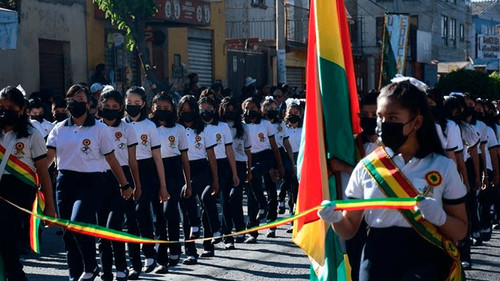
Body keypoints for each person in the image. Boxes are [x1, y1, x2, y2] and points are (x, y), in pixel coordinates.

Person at [318, 78, 467, 281]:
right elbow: (349, 229)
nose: (384, 124)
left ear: (417, 122)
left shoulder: (442, 167)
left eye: (393, 117)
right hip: (377, 257)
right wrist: (335, 219)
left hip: (426, 258)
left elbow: (460, 230)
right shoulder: (366, 167)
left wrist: (440, 217)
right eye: (380, 117)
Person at [46, 84, 130, 281]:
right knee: (68, 233)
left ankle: (91, 266)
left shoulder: (100, 129)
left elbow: (112, 160)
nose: (76, 103)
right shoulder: (59, 129)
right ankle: (75, 275)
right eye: (72, 100)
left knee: (77, 222)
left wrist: (125, 185)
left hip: (91, 182)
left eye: (80, 100)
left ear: (88, 103)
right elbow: (48, 158)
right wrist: (33, 176)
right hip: (65, 182)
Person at [0, 86, 56, 281]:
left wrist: (49, 206)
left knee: (6, 232)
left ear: (22, 109)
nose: (5, 111)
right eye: (2, 107)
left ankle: (15, 274)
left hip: (20, 192)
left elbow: (43, 172)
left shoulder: (32, 134)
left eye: (11, 108)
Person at [123, 86, 169, 279]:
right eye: (129, 103)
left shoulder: (150, 126)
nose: (133, 106)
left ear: (143, 104)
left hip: (147, 170)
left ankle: (155, 254)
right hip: (124, 171)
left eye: (137, 103)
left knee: (147, 211)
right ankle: (135, 263)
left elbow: (157, 157)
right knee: (130, 218)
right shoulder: (119, 125)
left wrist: (163, 185)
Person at [96, 88, 142, 281]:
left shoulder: (128, 129)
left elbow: (132, 160)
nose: (111, 109)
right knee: (102, 228)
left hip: (124, 180)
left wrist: (136, 185)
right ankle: (106, 270)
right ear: (100, 107)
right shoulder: (95, 128)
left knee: (117, 224)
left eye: (115, 106)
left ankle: (126, 267)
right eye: (107, 106)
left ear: (121, 108)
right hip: (100, 180)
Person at [150, 91, 191, 269]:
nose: (162, 111)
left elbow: (184, 158)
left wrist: (188, 182)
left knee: (170, 210)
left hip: (173, 171)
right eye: (158, 108)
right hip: (152, 169)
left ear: (172, 109)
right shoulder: (147, 127)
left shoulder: (179, 129)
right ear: (152, 108)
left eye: (166, 108)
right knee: (157, 214)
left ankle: (175, 247)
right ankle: (161, 257)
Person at [177, 95, 220, 265]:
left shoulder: (205, 130)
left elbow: (211, 156)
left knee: (203, 199)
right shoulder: (177, 129)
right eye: (183, 110)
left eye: (190, 110)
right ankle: (190, 251)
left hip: (201, 169)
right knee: (185, 206)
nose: (187, 113)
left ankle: (209, 241)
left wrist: (216, 180)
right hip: (181, 169)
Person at [198, 94, 239, 252]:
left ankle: (227, 236)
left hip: (222, 166)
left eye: (209, 108)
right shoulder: (197, 126)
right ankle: (208, 243)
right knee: (205, 205)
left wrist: (234, 172)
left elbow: (229, 150)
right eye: (202, 108)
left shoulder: (222, 126)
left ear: (215, 109)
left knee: (222, 202)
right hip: (204, 166)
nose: (206, 111)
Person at [242, 97, 284, 243]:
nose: (250, 110)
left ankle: (271, 222)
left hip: (265, 157)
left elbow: (274, 146)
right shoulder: (242, 125)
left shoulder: (265, 124)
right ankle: (252, 229)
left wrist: (278, 166)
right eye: (247, 107)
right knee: (251, 192)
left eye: (253, 107)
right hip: (249, 157)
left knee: (271, 188)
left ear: (258, 109)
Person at [219, 97, 252, 245]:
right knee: (225, 200)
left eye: (233, 109)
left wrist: (248, 170)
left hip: (239, 165)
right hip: (222, 164)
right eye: (227, 109)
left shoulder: (243, 128)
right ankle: (227, 235)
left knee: (235, 198)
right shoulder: (218, 126)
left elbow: (248, 150)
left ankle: (240, 229)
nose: (230, 112)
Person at [261, 96, 295, 238]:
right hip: (268, 156)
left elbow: (286, 143)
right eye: (270, 109)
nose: (273, 111)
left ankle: (292, 212)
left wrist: (292, 162)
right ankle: (271, 223)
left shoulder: (281, 125)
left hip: (281, 154)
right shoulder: (261, 124)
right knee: (271, 192)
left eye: (275, 108)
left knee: (290, 178)